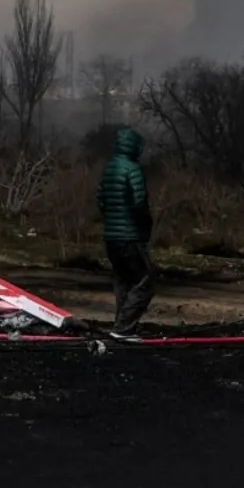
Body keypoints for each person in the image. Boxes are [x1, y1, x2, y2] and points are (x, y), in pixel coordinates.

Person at [95, 126, 155, 343]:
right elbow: (139, 203)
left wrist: (111, 219)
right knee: (145, 281)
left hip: (111, 236)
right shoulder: (133, 170)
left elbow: (101, 200)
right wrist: (146, 224)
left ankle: (122, 327)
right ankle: (124, 329)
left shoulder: (109, 168)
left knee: (123, 281)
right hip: (131, 235)